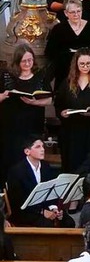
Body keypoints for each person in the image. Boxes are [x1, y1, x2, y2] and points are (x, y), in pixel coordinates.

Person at [0, 44, 52, 184]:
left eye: (30, 60)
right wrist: (4, 96)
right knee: (11, 159)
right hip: (11, 127)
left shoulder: (40, 75)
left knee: (31, 158)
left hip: (32, 125)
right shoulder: (6, 76)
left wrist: (34, 102)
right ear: (17, 62)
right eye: (24, 61)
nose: (28, 64)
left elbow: (49, 99)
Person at [54, 49, 90, 173]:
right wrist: (62, 113)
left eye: (88, 64)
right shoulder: (67, 83)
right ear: (76, 65)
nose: (85, 67)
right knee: (72, 166)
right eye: (82, 64)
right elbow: (59, 104)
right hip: (72, 132)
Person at [6, 136, 75, 227]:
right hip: (25, 211)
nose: (42, 149)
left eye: (43, 146)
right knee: (47, 224)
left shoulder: (46, 167)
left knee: (68, 222)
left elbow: (52, 192)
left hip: (45, 207)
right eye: (38, 147)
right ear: (27, 151)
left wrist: (53, 208)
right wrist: (42, 212)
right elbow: (17, 201)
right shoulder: (17, 171)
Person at [45, 0, 90, 90]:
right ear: (66, 13)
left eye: (79, 11)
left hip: (86, 70)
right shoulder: (58, 29)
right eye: (72, 12)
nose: (76, 14)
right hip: (64, 71)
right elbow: (50, 52)